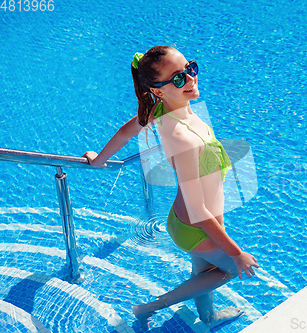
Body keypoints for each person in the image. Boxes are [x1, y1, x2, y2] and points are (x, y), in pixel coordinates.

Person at [82, 46, 259, 329]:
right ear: (160, 90)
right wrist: (236, 252)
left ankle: (209, 318)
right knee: (226, 271)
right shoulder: (181, 138)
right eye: (179, 78)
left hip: (199, 221)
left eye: (189, 69)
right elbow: (198, 211)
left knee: (203, 272)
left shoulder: (162, 109)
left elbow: (129, 130)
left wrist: (99, 160)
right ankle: (149, 307)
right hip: (195, 225)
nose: (190, 80)